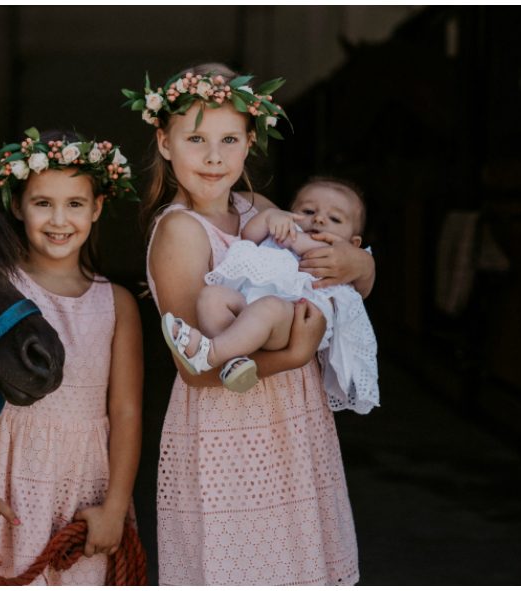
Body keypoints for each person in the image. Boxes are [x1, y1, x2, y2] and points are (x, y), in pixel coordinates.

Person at [124, 63, 375, 584]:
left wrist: (363, 264)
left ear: (249, 142)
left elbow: (320, 275)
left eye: (229, 139)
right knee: (237, 565)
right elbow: (193, 370)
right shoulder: (180, 232)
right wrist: (293, 355)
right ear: (165, 143)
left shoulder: (256, 207)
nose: (214, 156)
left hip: (292, 423)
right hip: (227, 431)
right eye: (196, 138)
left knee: (297, 560)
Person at [0, 128, 143, 585]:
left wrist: (116, 507)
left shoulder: (117, 303)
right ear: (17, 206)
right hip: (8, 477)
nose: (59, 219)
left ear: (98, 207)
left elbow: (125, 411)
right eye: (43, 203)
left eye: (75, 204)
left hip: (84, 485)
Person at [161, 176, 380, 414]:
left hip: (293, 319)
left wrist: (361, 261)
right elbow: (249, 234)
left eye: (335, 218)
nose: (318, 218)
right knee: (212, 297)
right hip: (250, 311)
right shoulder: (282, 232)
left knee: (269, 308)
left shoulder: (332, 256)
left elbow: (357, 284)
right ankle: (232, 361)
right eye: (307, 210)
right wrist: (269, 218)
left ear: (353, 242)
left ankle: (211, 353)